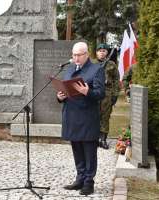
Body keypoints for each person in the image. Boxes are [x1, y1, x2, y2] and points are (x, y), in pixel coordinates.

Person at [57, 41, 105, 195]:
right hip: (71, 115)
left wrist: (87, 92)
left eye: (79, 55)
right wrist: (60, 97)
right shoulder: (70, 69)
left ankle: (88, 182)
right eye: (74, 55)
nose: (76, 58)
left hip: (87, 117)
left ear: (87, 54)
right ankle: (80, 178)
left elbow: (100, 94)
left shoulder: (96, 70)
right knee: (76, 148)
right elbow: (64, 89)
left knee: (89, 151)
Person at [95, 43, 120, 149]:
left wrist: (115, 94)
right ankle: (95, 138)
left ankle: (103, 139)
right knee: (94, 116)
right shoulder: (92, 64)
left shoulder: (111, 64)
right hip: (95, 92)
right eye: (100, 51)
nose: (102, 53)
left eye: (104, 51)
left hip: (107, 92)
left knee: (105, 116)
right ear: (96, 52)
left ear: (107, 53)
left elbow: (116, 80)